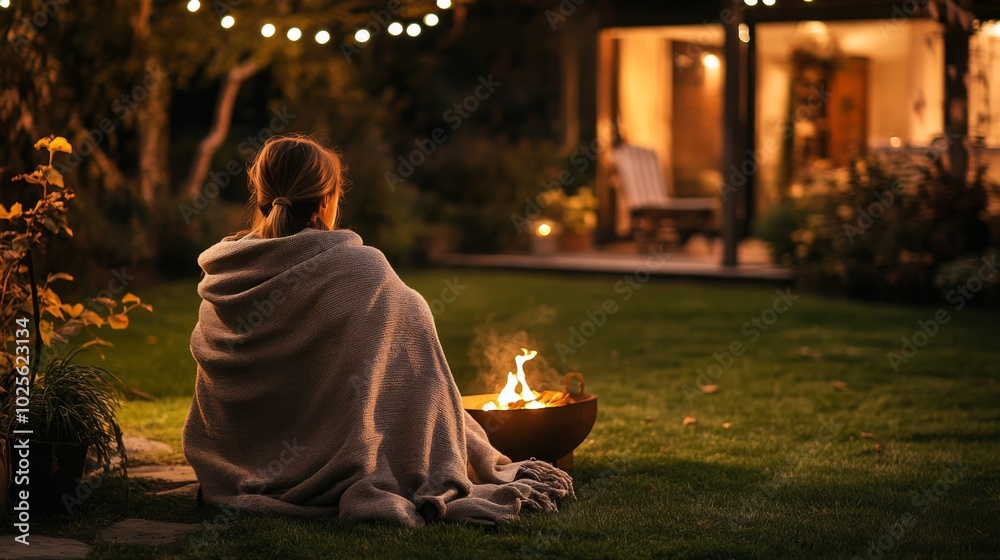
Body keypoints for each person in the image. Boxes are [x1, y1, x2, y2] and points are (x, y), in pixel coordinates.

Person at [182, 135, 573, 527]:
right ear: (326, 200)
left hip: (235, 465)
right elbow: (414, 368)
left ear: (260, 194)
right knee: (410, 312)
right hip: (327, 467)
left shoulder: (225, 276)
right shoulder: (361, 271)